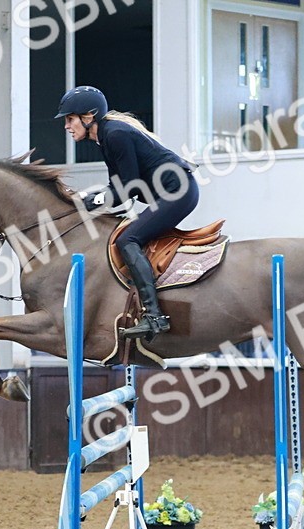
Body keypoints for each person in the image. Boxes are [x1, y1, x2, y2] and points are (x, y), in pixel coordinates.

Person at [57, 86, 199, 341]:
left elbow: (127, 189)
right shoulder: (106, 137)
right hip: (171, 193)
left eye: (70, 119)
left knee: (127, 240)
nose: (67, 126)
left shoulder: (115, 135)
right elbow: (119, 189)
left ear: (88, 117)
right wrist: (86, 200)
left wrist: (86, 201)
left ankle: (154, 316)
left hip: (178, 193)